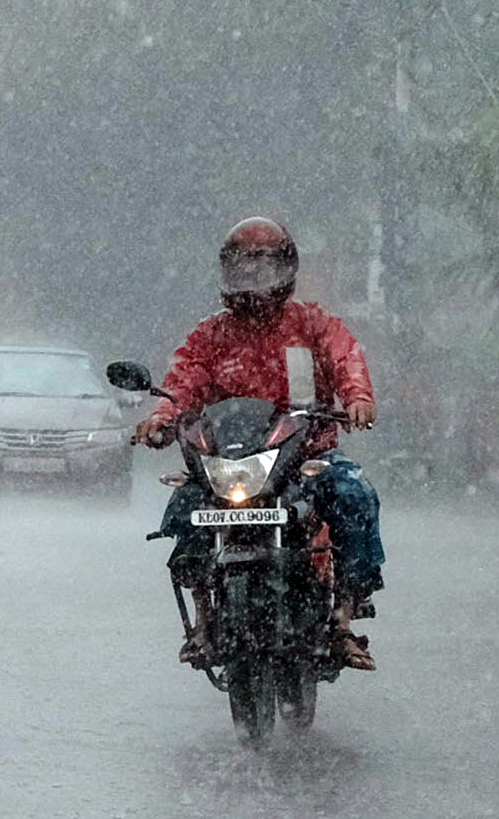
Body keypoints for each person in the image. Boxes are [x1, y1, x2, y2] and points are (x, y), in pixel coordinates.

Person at [134, 216, 386, 671]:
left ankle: (343, 618)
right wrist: (161, 418)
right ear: (226, 272)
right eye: (242, 270)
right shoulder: (211, 336)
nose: (252, 282)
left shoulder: (312, 325)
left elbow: (346, 356)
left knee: (354, 496)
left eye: (263, 270)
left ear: (286, 270)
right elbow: (182, 383)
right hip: (230, 462)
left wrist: (358, 397)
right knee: (187, 506)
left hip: (307, 455)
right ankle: (205, 619)